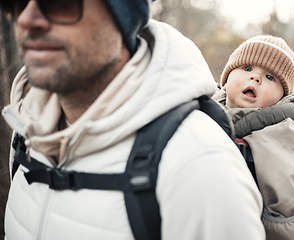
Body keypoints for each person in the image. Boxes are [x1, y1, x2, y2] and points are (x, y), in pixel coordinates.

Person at [0, 0, 266, 239]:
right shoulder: (28, 131)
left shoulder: (200, 166)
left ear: (122, 17)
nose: (25, 19)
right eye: (18, 2)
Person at [212, 35, 294, 239]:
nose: (255, 78)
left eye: (270, 77)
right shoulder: (201, 112)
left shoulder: (288, 131)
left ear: (280, 98)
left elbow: (292, 217)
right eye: (247, 69)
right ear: (225, 82)